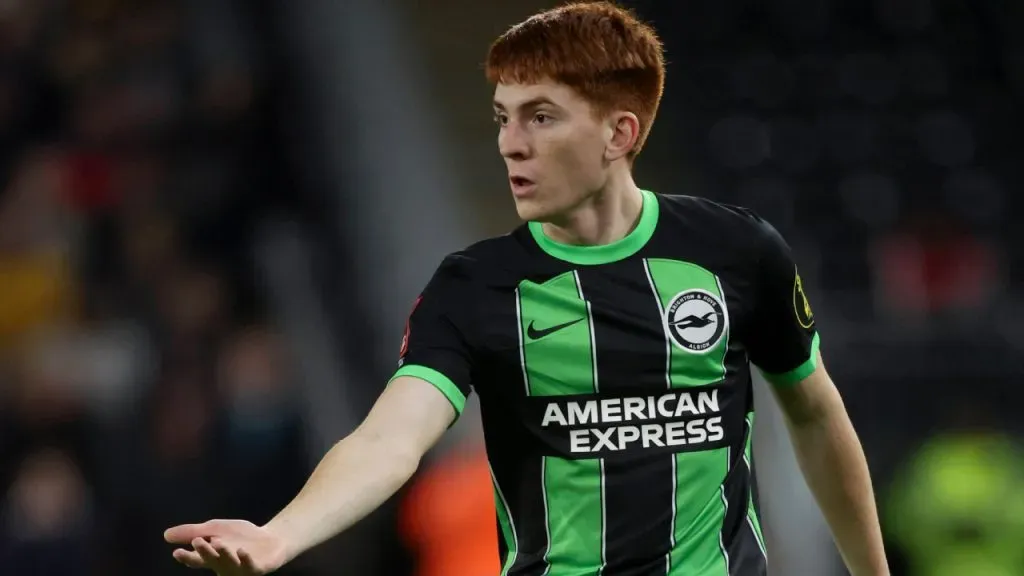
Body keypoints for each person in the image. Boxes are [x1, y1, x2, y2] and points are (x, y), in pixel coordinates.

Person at [164, 3, 890, 575]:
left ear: (619, 134)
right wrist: (281, 534)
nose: (512, 143)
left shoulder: (737, 253)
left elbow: (817, 416)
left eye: (541, 117)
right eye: (502, 119)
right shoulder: (476, 286)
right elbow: (390, 439)